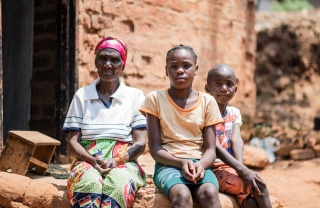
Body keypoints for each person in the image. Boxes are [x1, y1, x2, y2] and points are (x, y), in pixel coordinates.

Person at [62, 36, 147, 208]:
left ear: (123, 66)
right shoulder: (82, 95)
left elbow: (140, 142)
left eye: (114, 60)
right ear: (96, 62)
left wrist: (116, 160)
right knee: (90, 182)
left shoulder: (134, 96)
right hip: (86, 160)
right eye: (103, 58)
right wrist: (91, 160)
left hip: (124, 161)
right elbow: (72, 142)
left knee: (118, 183)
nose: (108, 64)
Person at [140, 44, 223, 208]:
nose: (180, 71)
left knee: (209, 193)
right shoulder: (155, 99)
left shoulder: (208, 102)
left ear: (196, 68)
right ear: (166, 70)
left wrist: (201, 165)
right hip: (168, 164)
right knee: (182, 195)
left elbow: (211, 150)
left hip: (200, 164)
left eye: (186, 65)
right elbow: (155, 149)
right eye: (174, 66)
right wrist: (182, 163)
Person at [205, 64, 272, 208]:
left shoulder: (234, 113)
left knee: (250, 202)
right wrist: (242, 170)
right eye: (218, 84)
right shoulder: (205, 112)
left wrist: (240, 168)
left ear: (235, 89)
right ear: (207, 89)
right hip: (212, 169)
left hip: (231, 167)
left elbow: (236, 139)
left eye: (229, 84)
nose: (224, 88)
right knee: (260, 188)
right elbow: (214, 146)